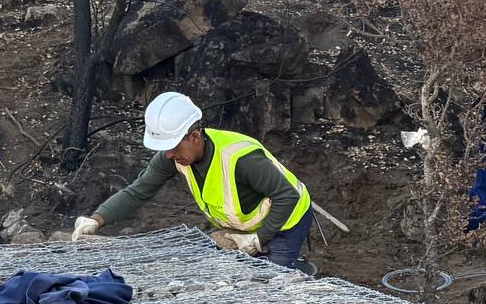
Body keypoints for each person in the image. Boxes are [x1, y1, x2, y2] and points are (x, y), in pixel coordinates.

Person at [72, 92, 319, 268]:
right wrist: (96, 219)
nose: (168, 154)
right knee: (241, 273)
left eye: (172, 147)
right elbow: (138, 191)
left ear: (194, 136)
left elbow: (287, 196)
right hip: (245, 223)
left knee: (275, 280)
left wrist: (259, 239)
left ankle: (296, 269)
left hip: (289, 217)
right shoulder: (173, 157)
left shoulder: (240, 158)